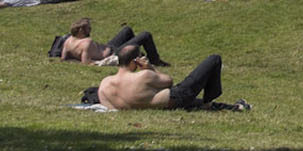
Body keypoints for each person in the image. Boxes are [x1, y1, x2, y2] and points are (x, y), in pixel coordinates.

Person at [98, 47, 245, 111]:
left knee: (196, 102)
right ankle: (208, 101)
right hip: (175, 99)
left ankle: (231, 107)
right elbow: (168, 81)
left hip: (154, 105)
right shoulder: (143, 76)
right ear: (134, 61)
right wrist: (150, 67)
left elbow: (108, 107)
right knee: (214, 59)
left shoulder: (104, 84)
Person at [58, 18, 167, 67]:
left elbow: (64, 58)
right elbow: (86, 62)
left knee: (127, 30)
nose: (90, 30)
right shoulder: (86, 43)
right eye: (88, 28)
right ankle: (155, 60)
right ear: (81, 31)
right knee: (145, 35)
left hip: (109, 47)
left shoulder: (68, 41)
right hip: (112, 54)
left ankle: (134, 55)